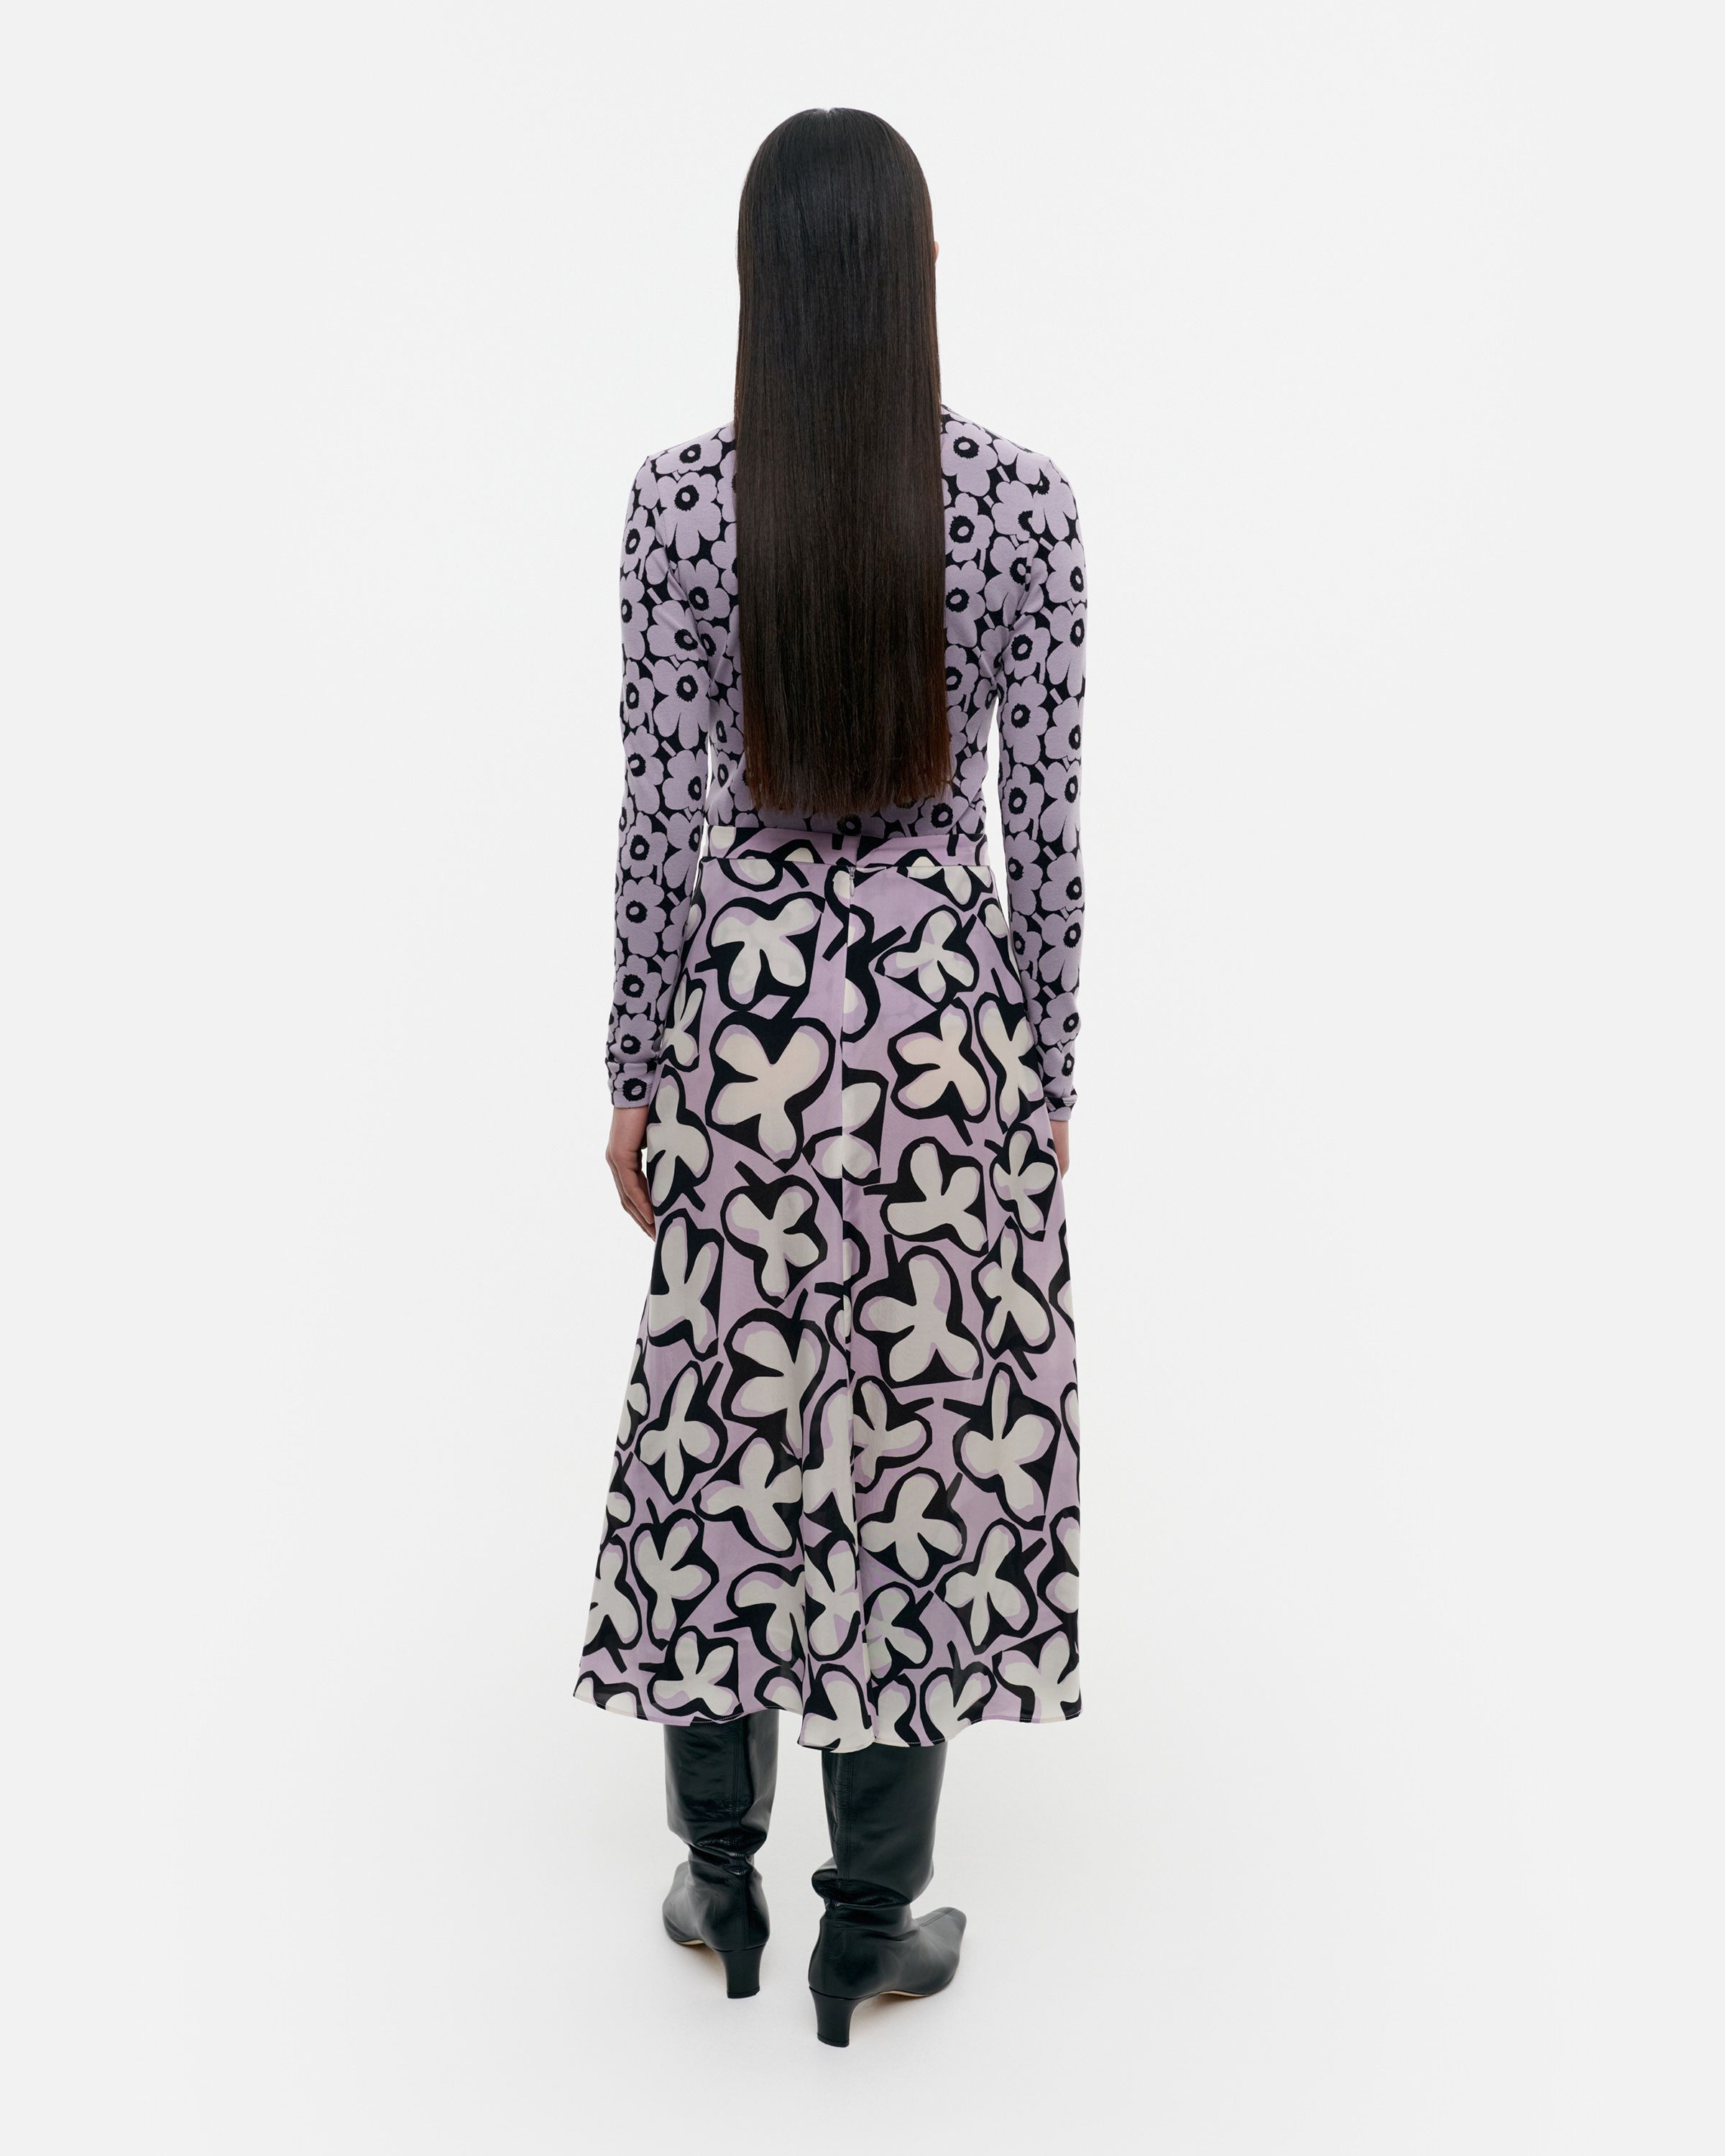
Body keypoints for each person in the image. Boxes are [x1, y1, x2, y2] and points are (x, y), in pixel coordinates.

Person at [576, 106, 1086, 2047]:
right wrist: (1046, 1076)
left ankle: (723, 1885)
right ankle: (868, 1923)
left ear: (757, 290)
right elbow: (1047, 834)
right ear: (923, 280)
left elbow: (661, 818)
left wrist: (636, 1066)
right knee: (920, 1460)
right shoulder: (1025, 508)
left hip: (748, 1024)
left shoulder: (677, 509)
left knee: (728, 1440)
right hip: (946, 1028)